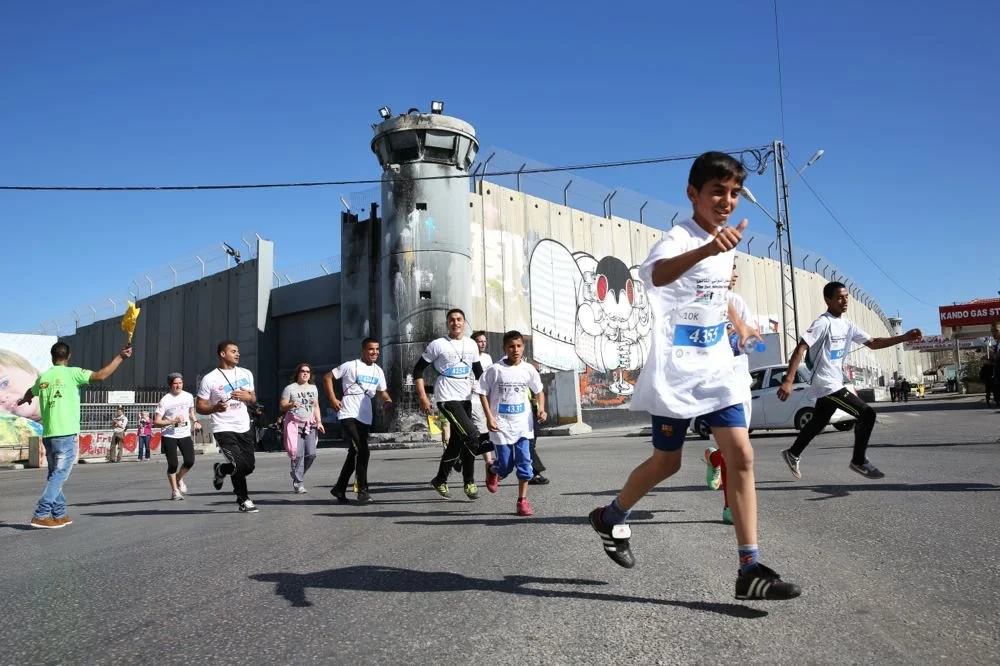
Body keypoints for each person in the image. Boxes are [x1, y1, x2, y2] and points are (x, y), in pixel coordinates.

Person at [587, 151, 800, 600]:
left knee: (741, 456)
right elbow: (656, 276)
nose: (726, 201)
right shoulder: (678, 238)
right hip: (677, 373)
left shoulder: (726, 245)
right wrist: (707, 248)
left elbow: (715, 295)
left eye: (734, 193)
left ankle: (749, 567)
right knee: (668, 462)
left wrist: (740, 329)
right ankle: (611, 516)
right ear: (692, 194)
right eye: (717, 192)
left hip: (718, 369)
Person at [778, 281, 921, 480]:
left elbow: (873, 343)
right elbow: (801, 347)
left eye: (846, 297)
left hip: (834, 381)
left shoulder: (847, 325)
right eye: (839, 297)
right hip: (826, 383)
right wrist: (788, 379)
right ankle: (859, 460)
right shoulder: (823, 323)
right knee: (867, 414)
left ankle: (793, 453)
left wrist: (903, 337)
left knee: (818, 422)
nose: (844, 301)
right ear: (827, 300)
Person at [16, 341, 133, 528]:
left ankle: (59, 512)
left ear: (52, 357)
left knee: (55, 474)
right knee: (60, 475)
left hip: (49, 435)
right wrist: (121, 357)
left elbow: (31, 391)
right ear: (68, 357)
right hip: (66, 433)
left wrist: (25, 398)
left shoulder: (45, 377)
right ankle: (41, 513)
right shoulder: (73, 373)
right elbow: (100, 376)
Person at [414, 309, 491, 500]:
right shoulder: (438, 345)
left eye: (459, 320)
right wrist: (423, 397)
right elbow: (417, 370)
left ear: (464, 322)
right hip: (446, 398)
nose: (455, 323)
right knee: (472, 435)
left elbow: (479, 373)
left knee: (456, 443)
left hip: (465, 397)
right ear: (447, 323)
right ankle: (469, 481)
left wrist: (492, 395)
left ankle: (440, 479)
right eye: (451, 320)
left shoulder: (472, 344)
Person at [705, 261, 760, 525]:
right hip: (709, 383)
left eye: (736, 268)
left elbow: (752, 342)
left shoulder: (737, 303)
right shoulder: (697, 301)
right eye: (730, 267)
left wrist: (743, 336)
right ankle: (730, 507)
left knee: (737, 449)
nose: (735, 273)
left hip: (737, 382)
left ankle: (714, 457)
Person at [480, 331, 546, 516]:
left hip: (523, 425)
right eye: (511, 346)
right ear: (504, 348)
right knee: (506, 466)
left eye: (518, 346)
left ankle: (522, 501)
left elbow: (539, 391)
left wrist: (541, 409)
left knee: (525, 464)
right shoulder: (495, 370)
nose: (515, 350)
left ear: (523, 347)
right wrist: (489, 417)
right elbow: (482, 393)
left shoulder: (528, 369)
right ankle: (492, 469)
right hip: (501, 425)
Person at [324, 339, 392, 504]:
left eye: (377, 349)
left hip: (365, 414)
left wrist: (387, 400)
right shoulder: (351, 365)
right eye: (371, 349)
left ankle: (339, 488)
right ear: (363, 350)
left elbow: (382, 391)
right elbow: (327, 377)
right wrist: (333, 399)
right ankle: (362, 490)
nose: (374, 352)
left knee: (354, 453)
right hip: (348, 412)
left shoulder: (378, 371)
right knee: (363, 450)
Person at [197, 340, 259, 513]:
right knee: (238, 465)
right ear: (222, 354)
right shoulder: (210, 379)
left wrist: (248, 397)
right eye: (233, 351)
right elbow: (200, 406)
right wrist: (215, 407)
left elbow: (253, 398)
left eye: (238, 351)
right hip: (223, 427)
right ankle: (244, 499)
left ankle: (221, 469)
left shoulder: (246, 373)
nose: (238, 354)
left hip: (243, 426)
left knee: (249, 467)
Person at [154, 373, 201, 500]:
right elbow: (157, 422)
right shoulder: (165, 400)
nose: (178, 385)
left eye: (180, 383)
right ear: (170, 385)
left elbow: (191, 411)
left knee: (190, 461)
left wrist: (195, 421)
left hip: (184, 433)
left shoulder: (188, 396)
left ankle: (179, 478)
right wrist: (173, 421)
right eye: (175, 383)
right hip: (169, 435)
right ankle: (175, 491)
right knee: (173, 464)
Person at [280, 363, 325, 494]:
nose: (305, 373)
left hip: (310, 424)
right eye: (302, 371)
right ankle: (299, 483)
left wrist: (319, 422)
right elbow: (282, 406)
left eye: (308, 371)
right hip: (294, 425)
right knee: (298, 455)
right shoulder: (290, 388)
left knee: (311, 454)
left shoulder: (313, 388)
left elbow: (316, 406)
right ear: (297, 373)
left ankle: (296, 473)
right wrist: (291, 404)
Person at [463, 330, 493, 477]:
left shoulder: (487, 358)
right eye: (479, 341)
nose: (482, 344)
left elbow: (491, 378)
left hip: (485, 400)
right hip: (472, 399)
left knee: (481, 433)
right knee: (480, 432)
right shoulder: (467, 358)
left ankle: (463, 458)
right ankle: (488, 464)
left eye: (484, 341)